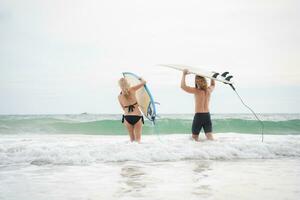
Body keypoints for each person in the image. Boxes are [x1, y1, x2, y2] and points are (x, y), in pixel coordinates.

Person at [180, 69, 215, 141]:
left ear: (196, 82)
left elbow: (183, 86)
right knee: (210, 138)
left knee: (194, 138)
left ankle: (195, 152)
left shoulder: (196, 91)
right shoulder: (209, 90)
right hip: (207, 116)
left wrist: (184, 75)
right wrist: (212, 77)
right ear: (205, 81)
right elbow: (213, 84)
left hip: (199, 116)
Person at [118, 77, 146, 143]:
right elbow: (144, 83)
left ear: (120, 85)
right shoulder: (132, 89)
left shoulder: (119, 97)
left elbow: (123, 108)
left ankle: (131, 152)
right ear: (128, 83)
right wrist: (140, 79)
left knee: (132, 140)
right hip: (137, 116)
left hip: (127, 118)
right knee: (138, 140)